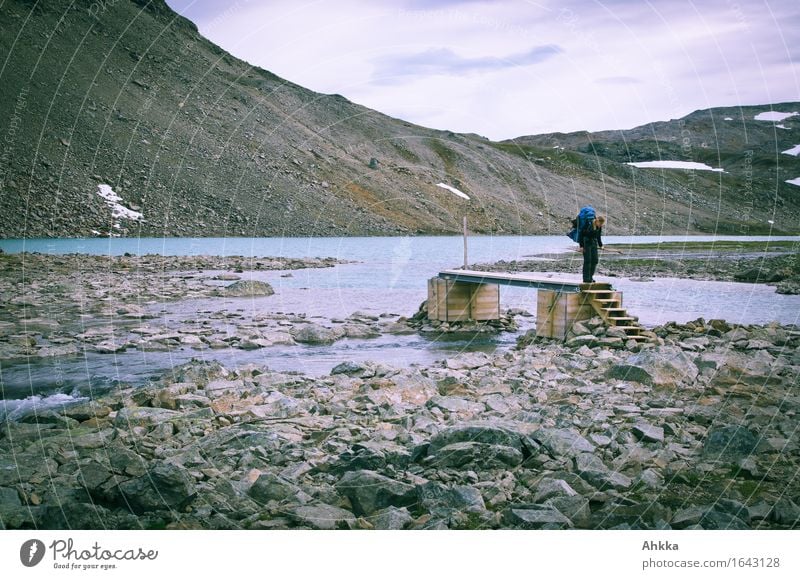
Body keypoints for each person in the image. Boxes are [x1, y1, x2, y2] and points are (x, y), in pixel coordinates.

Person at [579, 214, 605, 283]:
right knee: (588, 261)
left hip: (593, 243)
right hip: (586, 243)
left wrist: (601, 245)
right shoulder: (588, 224)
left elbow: (598, 236)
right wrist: (581, 246)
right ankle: (586, 279)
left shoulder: (599, 227)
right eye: (600, 223)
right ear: (597, 221)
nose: (601, 225)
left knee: (595, 260)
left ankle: (590, 277)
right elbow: (581, 234)